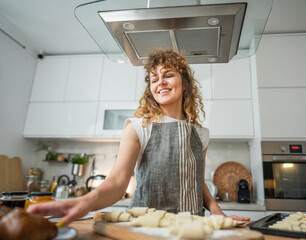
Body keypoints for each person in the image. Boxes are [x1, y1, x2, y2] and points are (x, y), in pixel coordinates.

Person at [27, 49, 250, 226]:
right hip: (147, 227)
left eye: (168, 75)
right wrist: (85, 202)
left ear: (185, 85)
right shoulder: (138, 127)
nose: (160, 81)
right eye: (154, 79)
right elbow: (117, 182)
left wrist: (215, 209)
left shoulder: (201, 134)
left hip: (192, 227)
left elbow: (198, 183)